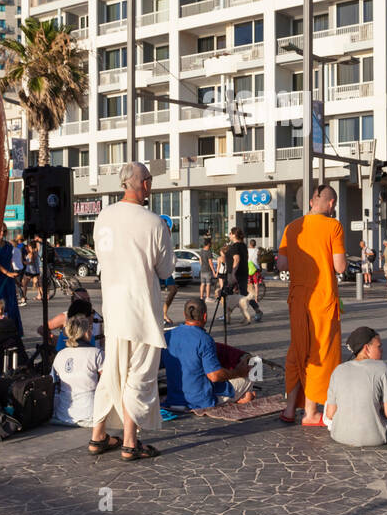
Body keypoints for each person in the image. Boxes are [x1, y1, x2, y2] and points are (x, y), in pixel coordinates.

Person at [87, 162, 175, 462]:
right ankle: (129, 442)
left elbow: (101, 257)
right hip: (142, 311)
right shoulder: (154, 223)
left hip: (113, 305)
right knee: (140, 375)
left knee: (113, 370)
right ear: (145, 184)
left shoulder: (103, 216)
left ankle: (98, 435)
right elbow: (164, 270)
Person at [277, 184, 348, 425]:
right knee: (322, 352)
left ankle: (289, 409)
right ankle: (310, 412)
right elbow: (340, 267)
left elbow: (282, 264)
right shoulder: (333, 226)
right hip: (323, 298)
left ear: (310, 202)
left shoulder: (292, 228)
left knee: (298, 351)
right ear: (331, 204)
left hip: (297, 299)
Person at [323, 326, 387, 446]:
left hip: (339, 435)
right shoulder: (383, 368)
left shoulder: (338, 369)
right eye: (379, 346)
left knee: (329, 402)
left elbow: (330, 414)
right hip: (376, 437)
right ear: (366, 348)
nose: (382, 350)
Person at [161, 299, 256, 412]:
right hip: (200, 401)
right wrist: (238, 372)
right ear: (205, 316)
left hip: (174, 399)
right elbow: (214, 376)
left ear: (184, 315)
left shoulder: (168, 336)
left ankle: (241, 396)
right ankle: (241, 396)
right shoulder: (204, 339)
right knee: (252, 371)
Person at [51, 312, 104, 427]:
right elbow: (108, 382)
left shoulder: (60, 355)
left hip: (64, 414)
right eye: (89, 329)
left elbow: (53, 384)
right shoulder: (96, 353)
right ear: (86, 333)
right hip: (91, 414)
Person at [0, 224, 24, 337]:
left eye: (4, 231)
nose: (2, 233)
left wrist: (15, 279)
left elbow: (9, 264)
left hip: (8, 281)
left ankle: (12, 333)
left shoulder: (8, 246)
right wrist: (7, 273)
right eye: (0, 231)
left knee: (11, 306)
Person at [222, 228, 257, 324]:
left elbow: (236, 259)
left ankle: (227, 315)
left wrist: (233, 273)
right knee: (243, 294)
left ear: (234, 235)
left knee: (227, 294)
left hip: (235, 273)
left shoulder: (235, 246)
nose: (229, 235)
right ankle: (256, 310)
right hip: (243, 272)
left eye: (230, 233)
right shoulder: (243, 245)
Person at [245, 238, 265, 320]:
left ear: (250, 244)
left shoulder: (247, 250)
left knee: (250, 284)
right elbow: (259, 259)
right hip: (255, 269)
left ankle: (250, 296)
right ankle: (256, 299)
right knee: (256, 284)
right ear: (255, 244)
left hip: (248, 268)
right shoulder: (257, 250)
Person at [198, 235, 217, 302]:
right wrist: (214, 271)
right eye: (211, 243)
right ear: (208, 244)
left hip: (202, 270)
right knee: (208, 284)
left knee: (202, 284)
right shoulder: (209, 252)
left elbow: (200, 260)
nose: (211, 244)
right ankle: (208, 297)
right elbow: (210, 263)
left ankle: (201, 297)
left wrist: (202, 265)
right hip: (208, 270)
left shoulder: (201, 251)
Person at [12, 234, 29, 308]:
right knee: (17, 283)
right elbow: (23, 258)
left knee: (17, 284)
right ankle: (18, 298)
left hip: (16, 268)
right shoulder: (20, 249)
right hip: (21, 267)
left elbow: (11, 259)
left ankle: (23, 299)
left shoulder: (14, 250)